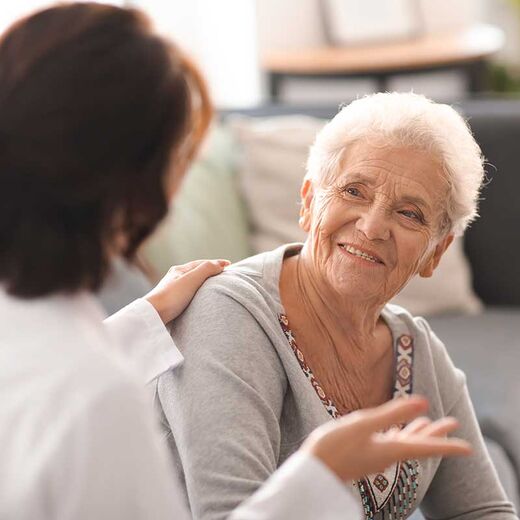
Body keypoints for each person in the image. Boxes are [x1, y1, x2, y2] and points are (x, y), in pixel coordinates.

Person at [0, 5, 472, 519]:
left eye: (408, 213)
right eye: (181, 158)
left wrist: (142, 322)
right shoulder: (102, 397)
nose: (374, 225)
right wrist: (318, 474)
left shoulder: (52, 347)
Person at [157, 92, 517, 520]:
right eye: (354, 191)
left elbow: (483, 511)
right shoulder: (229, 314)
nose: (372, 225)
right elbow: (228, 513)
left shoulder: (416, 349)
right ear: (309, 202)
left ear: (436, 253)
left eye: (409, 213)